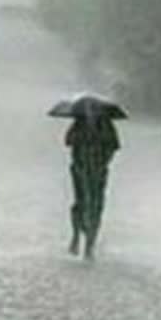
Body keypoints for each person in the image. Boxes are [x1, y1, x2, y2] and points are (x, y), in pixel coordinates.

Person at [65, 111, 120, 260]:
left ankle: (89, 244)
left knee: (96, 206)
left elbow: (113, 147)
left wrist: (103, 162)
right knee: (81, 203)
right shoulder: (79, 122)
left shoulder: (106, 124)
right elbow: (68, 141)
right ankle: (76, 237)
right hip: (80, 169)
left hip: (97, 171)